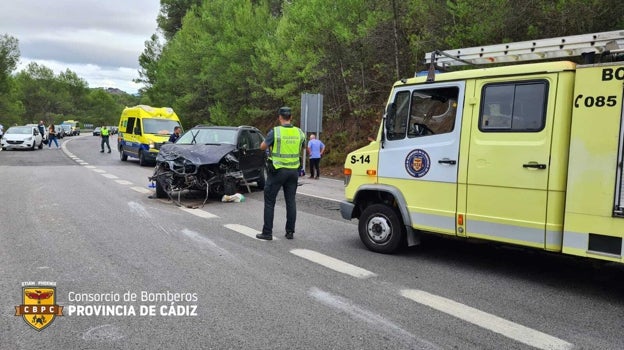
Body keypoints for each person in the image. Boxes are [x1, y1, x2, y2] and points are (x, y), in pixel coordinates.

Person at [256, 106, 306, 241]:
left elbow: (262, 147)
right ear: (291, 118)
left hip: (277, 171)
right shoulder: (300, 132)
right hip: (293, 172)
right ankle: (290, 232)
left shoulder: (276, 132)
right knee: (290, 201)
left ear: (279, 117)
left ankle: (267, 232)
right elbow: (305, 147)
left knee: (270, 202)